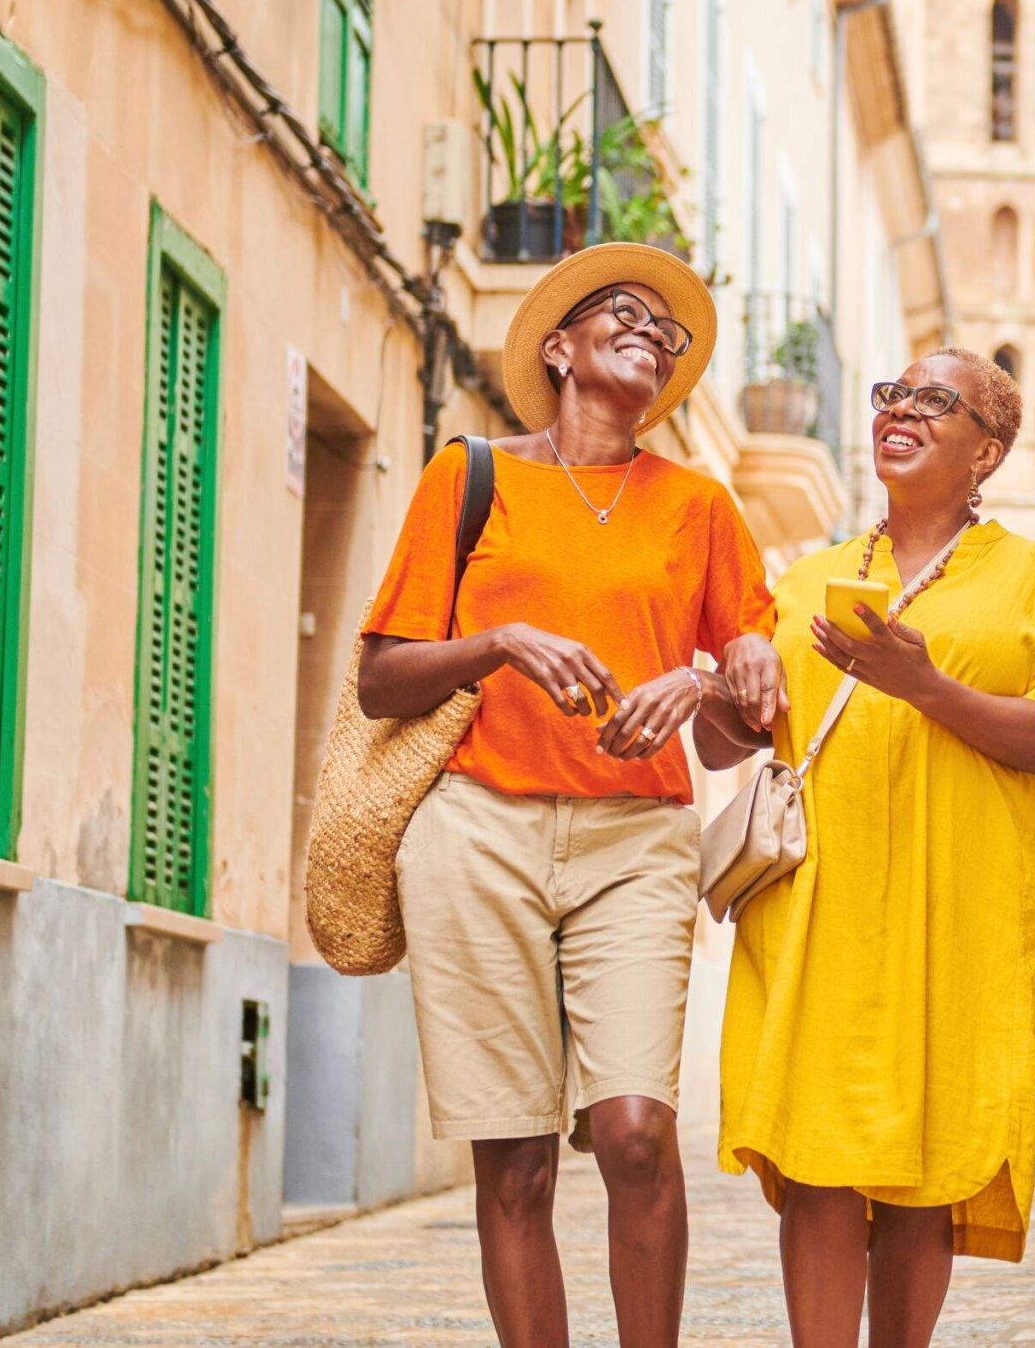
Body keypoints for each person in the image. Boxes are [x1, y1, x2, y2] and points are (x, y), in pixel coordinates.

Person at [357, 244, 785, 1348]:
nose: (651, 329)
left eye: (667, 328)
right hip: (475, 829)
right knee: (515, 1164)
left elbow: (743, 731)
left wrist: (703, 678)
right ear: (559, 347)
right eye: (621, 313)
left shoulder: (699, 508)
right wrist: (498, 641)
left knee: (637, 1130)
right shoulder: (470, 479)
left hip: (637, 836)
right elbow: (380, 677)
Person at [719, 349, 1035, 1348]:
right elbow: (738, 737)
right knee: (817, 1156)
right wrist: (731, 677)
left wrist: (925, 685)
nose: (902, 409)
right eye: (893, 393)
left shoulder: (1031, 577)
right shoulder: (811, 576)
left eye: (938, 401)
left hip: (956, 907)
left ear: (990, 449)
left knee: (922, 1163)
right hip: (818, 905)